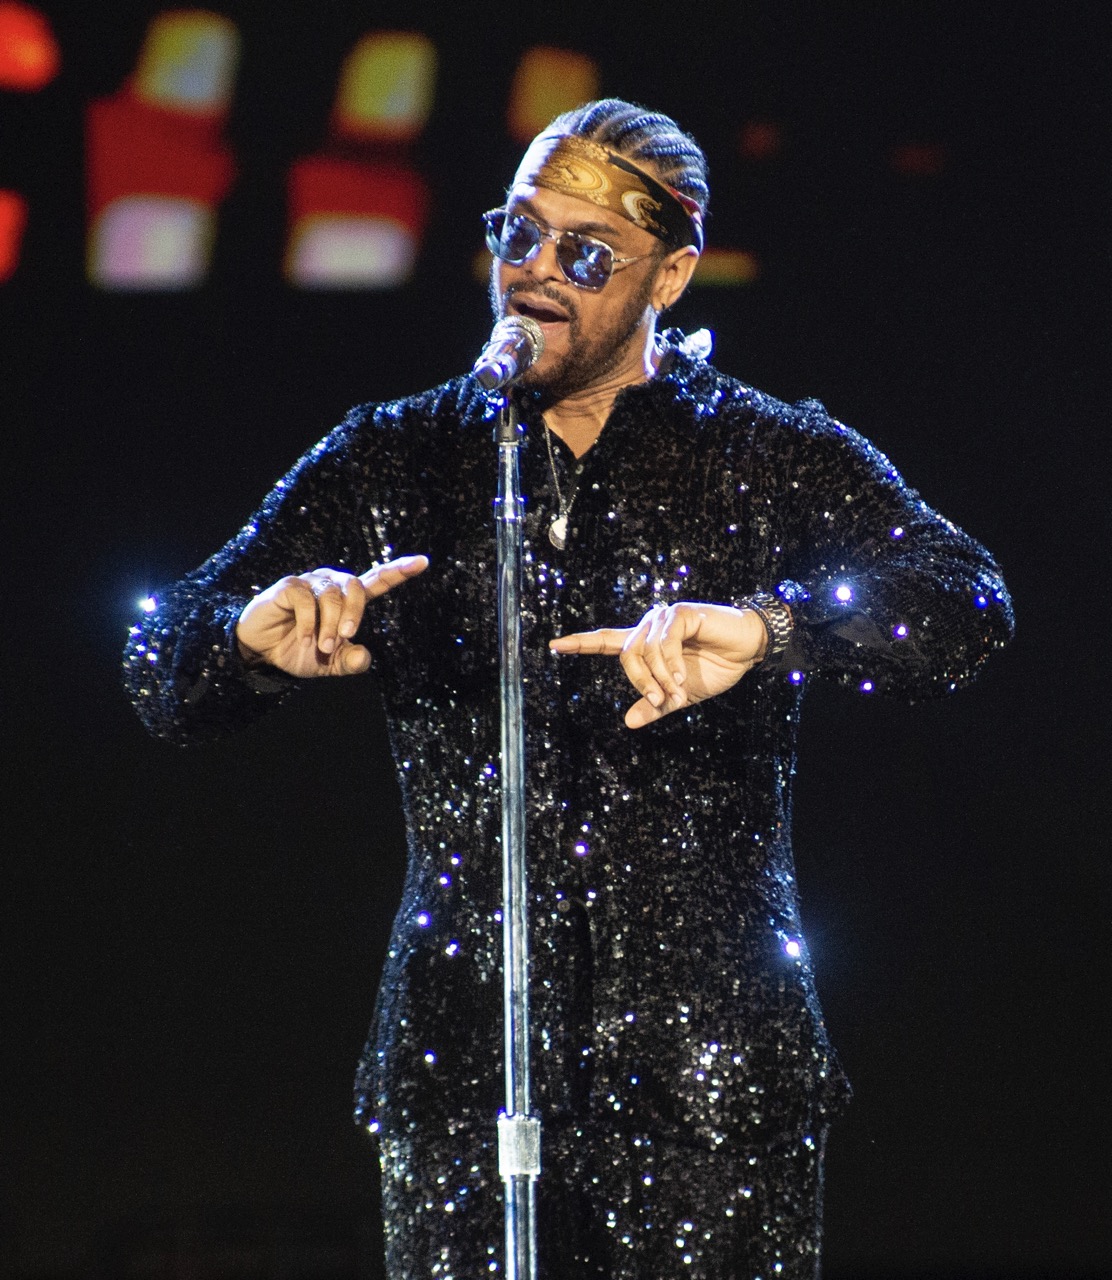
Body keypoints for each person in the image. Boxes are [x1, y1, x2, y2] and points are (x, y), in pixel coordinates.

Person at [125, 99, 1013, 1279]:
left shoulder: (764, 451)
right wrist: (245, 636)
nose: (536, 271)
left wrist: (774, 627)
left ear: (670, 276)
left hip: (710, 1088)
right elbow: (161, 655)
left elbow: (964, 598)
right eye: (518, 233)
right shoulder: (399, 455)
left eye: (586, 253)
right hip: (461, 1076)